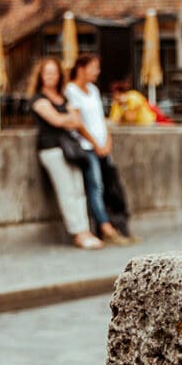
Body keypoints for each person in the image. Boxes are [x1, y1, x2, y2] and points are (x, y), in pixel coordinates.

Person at [29, 57, 103, 250]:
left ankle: (85, 230)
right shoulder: (38, 99)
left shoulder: (63, 98)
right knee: (67, 191)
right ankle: (78, 232)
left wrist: (67, 119)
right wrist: (67, 119)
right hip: (52, 149)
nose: (51, 76)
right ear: (41, 76)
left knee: (79, 189)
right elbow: (57, 120)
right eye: (47, 73)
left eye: (54, 72)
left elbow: (76, 121)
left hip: (71, 149)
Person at [66, 55, 133, 244]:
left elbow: (101, 120)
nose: (97, 71)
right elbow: (78, 123)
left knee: (110, 186)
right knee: (95, 186)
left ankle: (116, 224)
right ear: (81, 68)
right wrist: (95, 144)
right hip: (87, 147)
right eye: (94, 67)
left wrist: (107, 141)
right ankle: (105, 226)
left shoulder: (94, 90)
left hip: (103, 145)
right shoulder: (71, 90)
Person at [109, 82, 173, 126]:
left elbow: (130, 117)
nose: (114, 96)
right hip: (135, 127)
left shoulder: (133, 95)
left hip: (148, 124)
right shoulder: (116, 104)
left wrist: (122, 115)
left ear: (121, 93)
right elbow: (114, 119)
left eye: (115, 94)